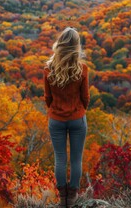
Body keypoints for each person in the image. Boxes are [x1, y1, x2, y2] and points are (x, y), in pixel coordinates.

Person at [43, 27, 90, 208]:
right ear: (76, 46)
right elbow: (85, 97)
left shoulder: (48, 69)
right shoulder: (82, 69)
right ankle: (72, 197)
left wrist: (55, 111)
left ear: (60, 44)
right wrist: (79, 111)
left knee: (60, 158)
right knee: (76, 158)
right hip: (77, 118)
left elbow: (47, 98)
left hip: (56, 119)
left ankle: (62, 198)